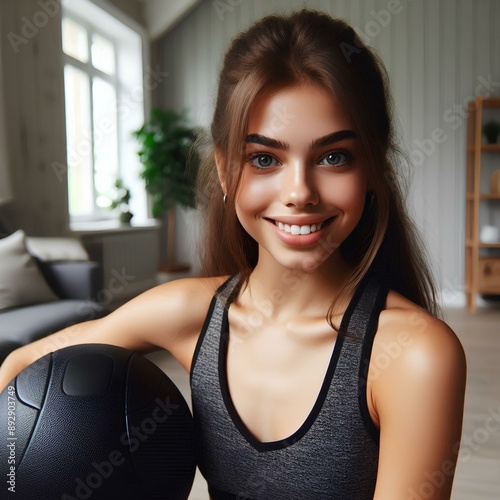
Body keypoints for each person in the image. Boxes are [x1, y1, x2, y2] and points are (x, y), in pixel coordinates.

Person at [0, 9, 466, 500]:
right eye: (265, 159)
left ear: (371, 168)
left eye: (334, 157)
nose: (299, 192)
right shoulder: (190, 313)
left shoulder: (415, 356)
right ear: (224, 171)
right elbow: (19, 366)